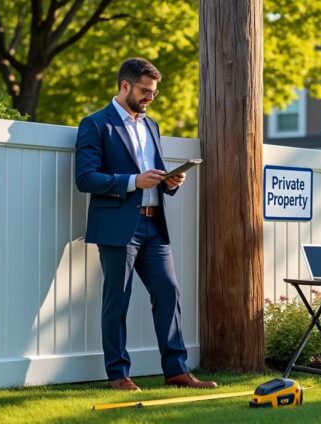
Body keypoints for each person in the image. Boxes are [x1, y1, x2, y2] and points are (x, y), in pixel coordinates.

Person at [75, 58, 217, 390]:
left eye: (154, 92)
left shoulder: (151, 125)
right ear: (125, 85)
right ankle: (118, 375)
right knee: (118, 300)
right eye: (145, 91)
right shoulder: (96, 124)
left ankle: (176, 371)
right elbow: (86, 178)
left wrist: (171, 181)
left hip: (154, 226)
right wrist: (132, 181)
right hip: (117, 227)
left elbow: (154, 173)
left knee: (168, 292)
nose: (150, 98)